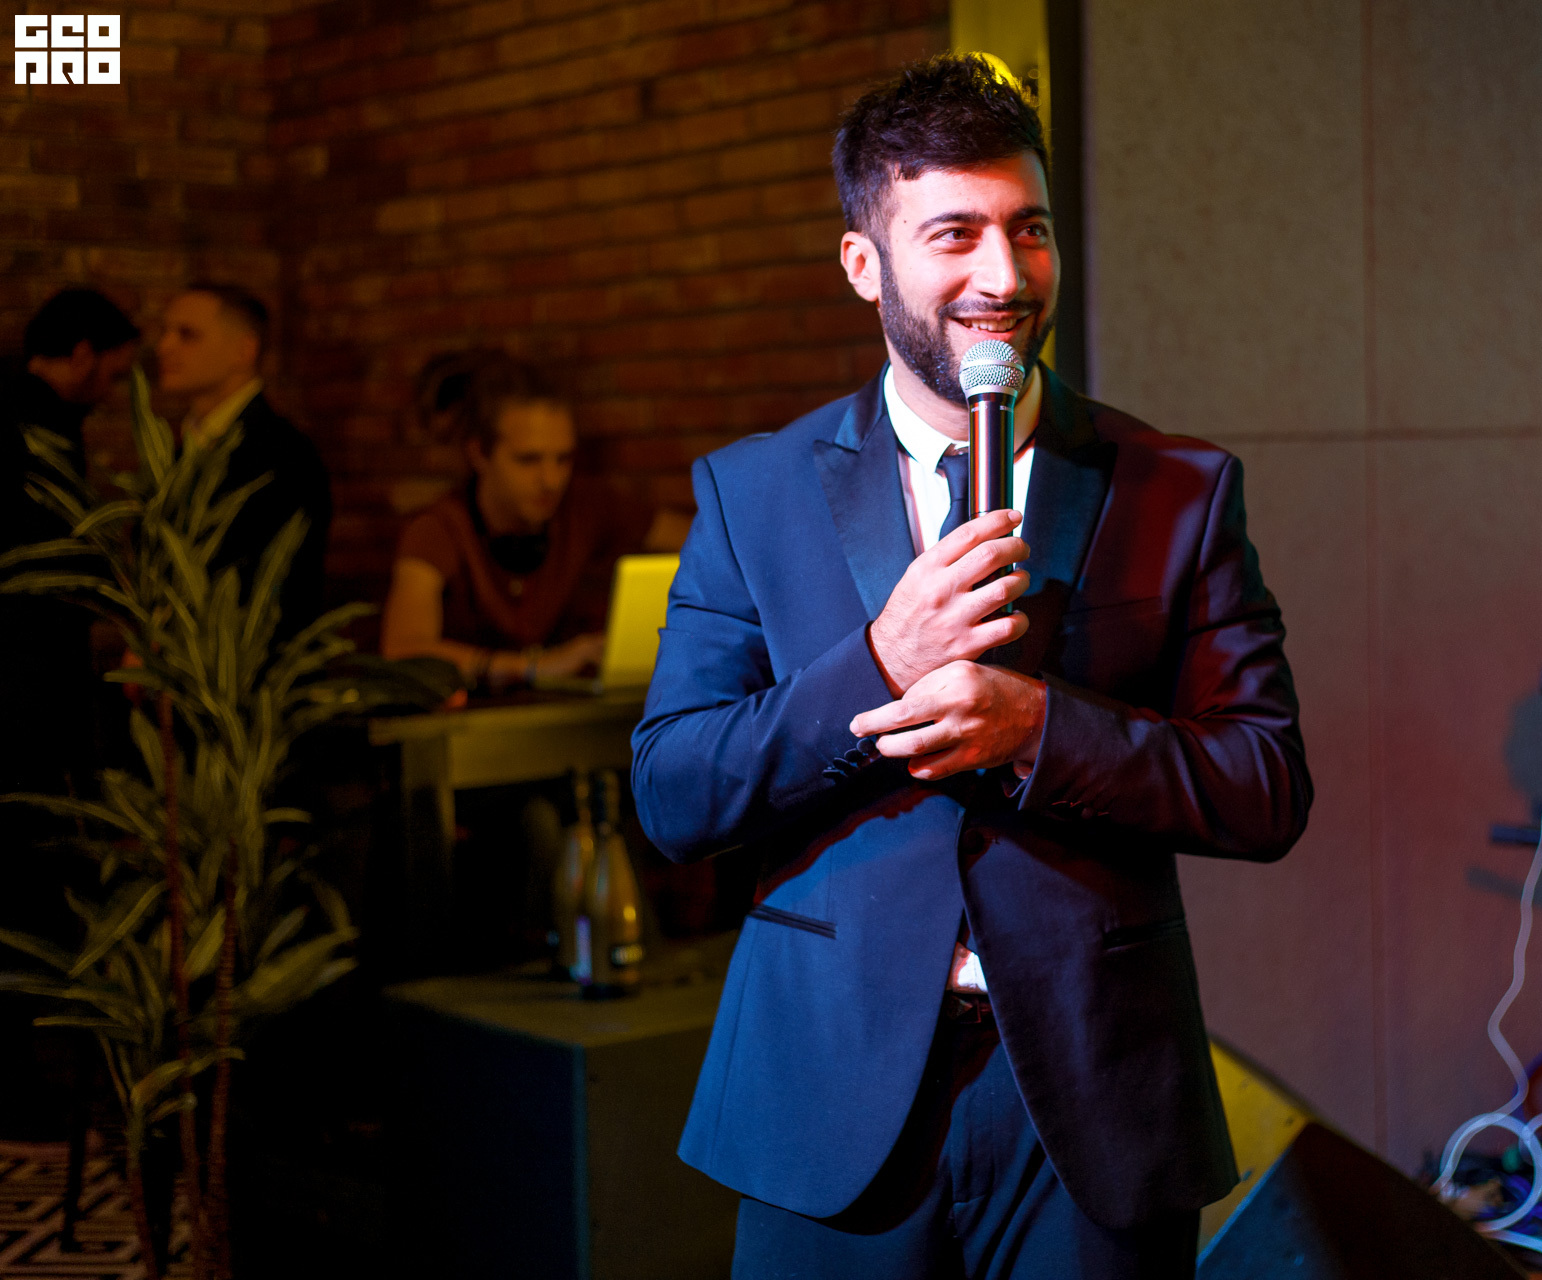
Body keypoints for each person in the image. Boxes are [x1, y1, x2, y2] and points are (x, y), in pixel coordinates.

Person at [630, 56, 1312, 1279]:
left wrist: (1041, 728)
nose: (1004, 276)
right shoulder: (753, 491)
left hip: (1094, 1095)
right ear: (864, 262)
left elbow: (1265, 784)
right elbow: (674, 792)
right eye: (955, 233)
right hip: (828, 1089)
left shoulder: (1178, 488)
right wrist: (879, 663)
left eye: (1029, 229)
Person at [0, 286, 139, 1138]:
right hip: (23, 701)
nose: (115, 391)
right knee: (27, 885)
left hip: (30, 694)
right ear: (83, 353)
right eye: (114, 372)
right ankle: (23, 1088)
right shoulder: (31, 424)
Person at [380, 352, 610, 689]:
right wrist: (530, 668)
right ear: (479, 454)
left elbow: (688, 534)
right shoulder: (438, 529)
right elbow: (402, 651)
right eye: (528, 460)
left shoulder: (584, 507)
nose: (551, 480)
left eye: (563, 459)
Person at [154, 283, 332, 637]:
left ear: (243, 350)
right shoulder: (182, 445)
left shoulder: (282, 453)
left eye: (187, 334)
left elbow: (271, 587)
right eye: (165, 332)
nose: (164, 346)